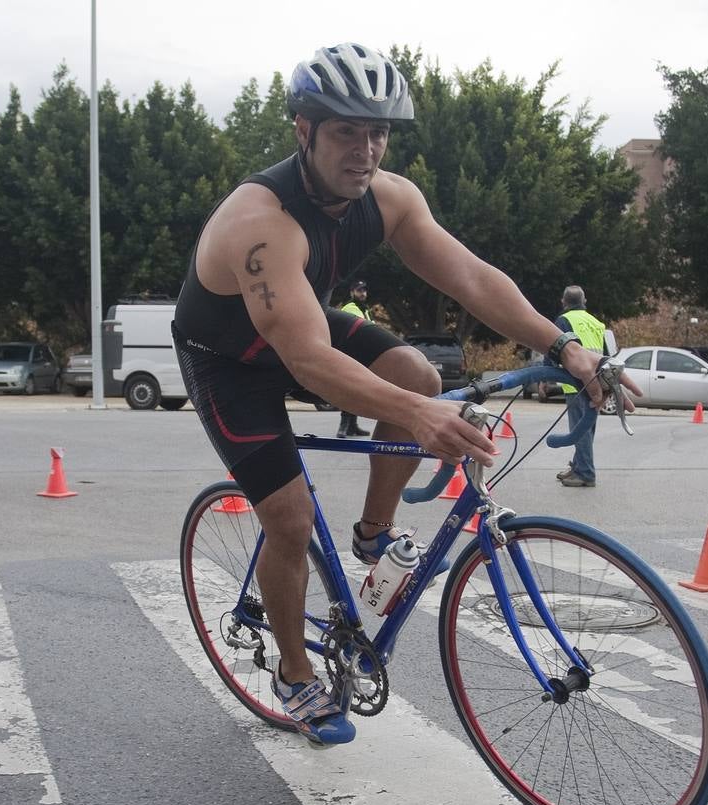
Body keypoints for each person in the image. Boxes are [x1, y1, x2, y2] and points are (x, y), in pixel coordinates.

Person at [171, 42, 633, 745]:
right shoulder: (259, 222)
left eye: (378, 132)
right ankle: (296, 674)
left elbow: (472, 280)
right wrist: (422, 418)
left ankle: (371, 534)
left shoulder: (388, 198)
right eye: (346, 133)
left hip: (298, 324)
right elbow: (309, 359)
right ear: (304, 130)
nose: (366, 150)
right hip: (230, 360)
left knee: (416, 373)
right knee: (289, 518)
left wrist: (566, 349)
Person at [550, 286, 605, 487]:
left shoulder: (564, 320)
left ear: (563, 301)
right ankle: (578, 466)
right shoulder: (597, 323)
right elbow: (605, 354)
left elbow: (554, 348)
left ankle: (585, 473)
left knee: (579, 430)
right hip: (596, 383)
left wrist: (545, 376)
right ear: (585, 301)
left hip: (575, 383)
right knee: (587, 430)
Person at [336, 280, 373, 437]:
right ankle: (343, 426)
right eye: (359, 291)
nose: (363, 293)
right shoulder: (350, 307)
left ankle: (352, 425)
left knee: (356, 390)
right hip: (350, 355)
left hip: (359, 355)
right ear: (352, 292)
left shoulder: (364, 309)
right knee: (349, 389)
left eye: (364, 290)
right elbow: (362, 328)